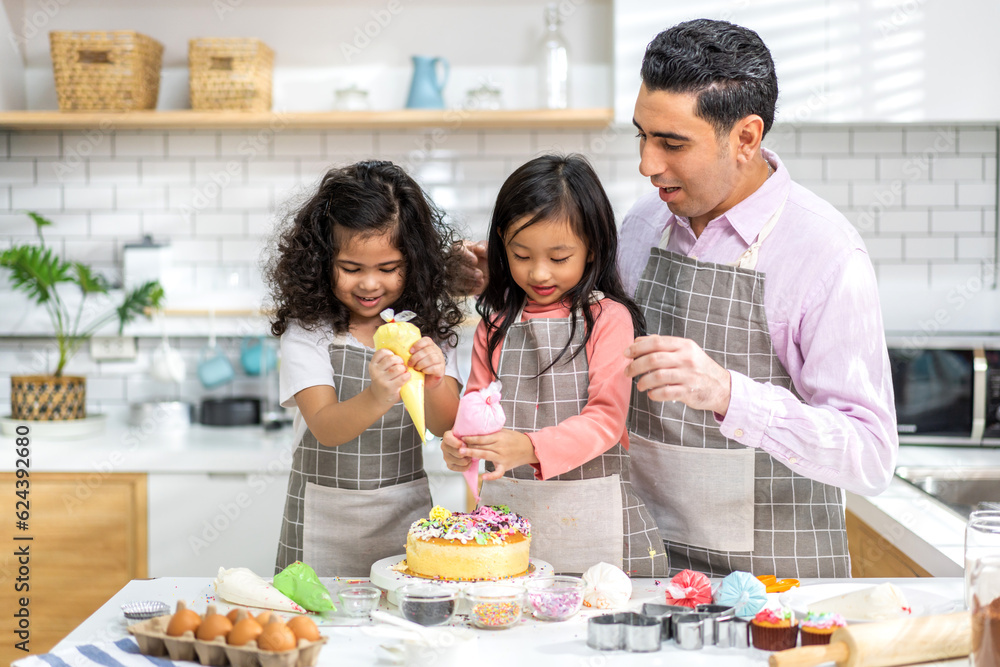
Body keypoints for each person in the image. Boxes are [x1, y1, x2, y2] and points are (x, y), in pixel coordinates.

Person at [620, 19, 898, 577]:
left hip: (777, 587)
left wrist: (727, 393)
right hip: (647, 568)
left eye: (672, 143)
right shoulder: (644, 222)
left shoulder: (824, 252)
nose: (648, 164)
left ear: (746, 138)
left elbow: (870, 454)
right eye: (642, 137)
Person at [441, 154, 669, 577]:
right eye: (521, 255)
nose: (539, 273)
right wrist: (462, 447)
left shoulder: (608, 318)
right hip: (505, 528)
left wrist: (527, 447)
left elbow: (605, 419)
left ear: (592, 249)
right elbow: (474, 408)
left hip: (596, 532)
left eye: (559, 257)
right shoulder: (495, 323)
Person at [266, 160, 464, 577]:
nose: (370, 284)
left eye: (388, 269)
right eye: (352, 269)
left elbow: (446, 425)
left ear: (414, 261)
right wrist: (378, 395)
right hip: (323, 520)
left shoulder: (426, 328)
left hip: (402, 514)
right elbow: (325, 426)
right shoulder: (309, 331)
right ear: (322, 261)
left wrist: (432, 378)